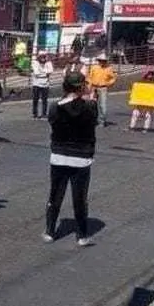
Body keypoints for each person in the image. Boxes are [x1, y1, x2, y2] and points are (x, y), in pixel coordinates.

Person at [43, 71, 98, 246]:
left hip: (59, 155)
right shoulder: (90, 107)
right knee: (80, 197)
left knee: (55, 195)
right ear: (82, 87)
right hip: (81, 158)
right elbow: (93, 122)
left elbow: (53, 122)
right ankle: (81, 236)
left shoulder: (55, 106)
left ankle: (50, 231)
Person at [87, 53, 116, 127]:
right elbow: (89, 77)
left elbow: (113, 78)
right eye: (101, 60)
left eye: (104, 61)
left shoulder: (109, 68)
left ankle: (102, 121)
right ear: (99, 60)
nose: (102, 62)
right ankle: (93, 120)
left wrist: (108, 83)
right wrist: (89, 87)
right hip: (94, 87)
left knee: (103, 106)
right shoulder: (94, 67)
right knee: (92, 105)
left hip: (103, 88)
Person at [31, 50, 54, 119]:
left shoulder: (48, 63)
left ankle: (44, 114)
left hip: (45, 84)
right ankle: (35, 113)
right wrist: (46, 73)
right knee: (35, 99)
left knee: (44, 100)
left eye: (44, 56)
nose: (43, 58)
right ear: (38, 57)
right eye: (41, 56)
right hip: (36, 84)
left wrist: (43, 72)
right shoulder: (35, 62)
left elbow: (51, 71)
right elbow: (36, 73)